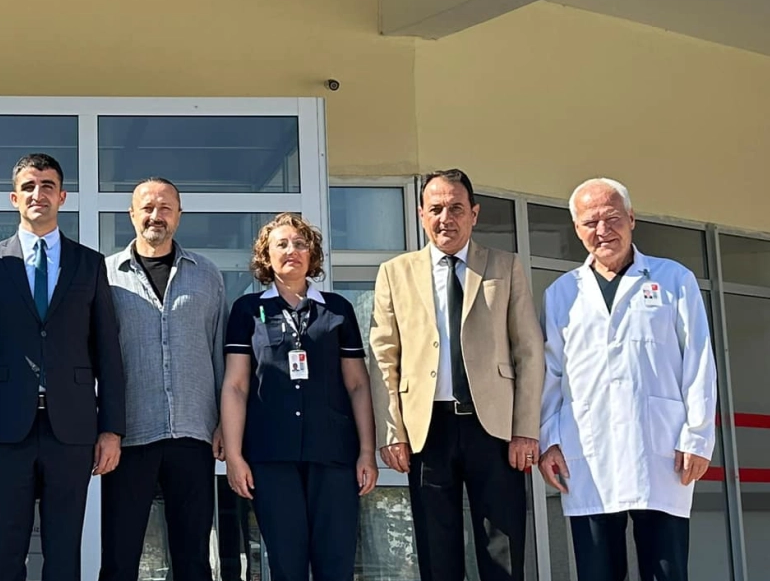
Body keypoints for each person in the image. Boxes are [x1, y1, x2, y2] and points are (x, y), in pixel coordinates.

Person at [538, 178, 717, 581]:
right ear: (577, 229)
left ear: (632, 219)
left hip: (662, 448)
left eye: (612, 218)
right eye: (590, 222)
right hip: (587, 450)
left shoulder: (674, 280)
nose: (602, 230)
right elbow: (550, 374)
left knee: (666, 569)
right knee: (597, 570)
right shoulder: (561, 293)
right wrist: (549, 440)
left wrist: (697, 436)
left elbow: (699, 361)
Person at [370, 168, 544, 581]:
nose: (445, 218)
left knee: (503, 551)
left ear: (474, 214)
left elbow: (529, 350)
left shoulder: (505, 266)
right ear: (421, 214)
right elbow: (383, 357)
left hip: (495, 428)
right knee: (437, 552)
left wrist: (526, 430)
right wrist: (392, 432)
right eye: (435, 209)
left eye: (456, 208)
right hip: (426, 428)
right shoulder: (395, 272)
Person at [0, 153, 126, 581]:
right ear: (14, 198)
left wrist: (112, 429)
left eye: (48, 186)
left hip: (71, 430)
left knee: (64, 553)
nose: (39, 194)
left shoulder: (89, 264)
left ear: (62, 196)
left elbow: (107, 352)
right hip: (5, 430)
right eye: (29, 187)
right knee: (5, 553)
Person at [221, 214, 376, 581]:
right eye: (282, 244)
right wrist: (234, 456)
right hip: (271, 456)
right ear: (266, 256)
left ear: (312, 254)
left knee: (335, 564)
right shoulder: (247, 311)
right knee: (286, 565)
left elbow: (357, 384)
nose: (292, 250)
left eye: (300, 244)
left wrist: (367, 451)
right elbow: (236, 386)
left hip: (333, 454)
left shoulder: (337, 309)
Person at [100, 177, 226, 581]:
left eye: (165, 207)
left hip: (194, 432)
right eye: (148, 208)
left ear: (179, 215)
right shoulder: (105, 276)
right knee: (119, 558)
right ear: (132, 215)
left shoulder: (207, 275)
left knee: (193, 559)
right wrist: (103, 427)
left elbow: (219, 353)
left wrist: (225, 423)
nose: (156, 215)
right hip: (128, 434)